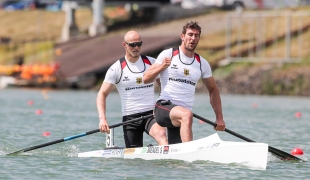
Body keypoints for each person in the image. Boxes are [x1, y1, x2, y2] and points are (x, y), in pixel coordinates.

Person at [143, 21, 226, 144]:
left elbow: (213, 90)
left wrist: (219, 118)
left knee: (176, 156)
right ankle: (189, 154)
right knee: (187, 115)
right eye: (190, 34)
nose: (193, 38)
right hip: (163, 107)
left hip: (181, 116)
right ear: (182, 36)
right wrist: (161, 67)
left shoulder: (202, 63)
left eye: (196, 36)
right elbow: (146, 78)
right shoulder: (168, 54)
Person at [97, 30, 168, 148]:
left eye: (139, 44)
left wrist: (160, 106)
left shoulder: (151, 63)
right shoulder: (116, 68)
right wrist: (102, 119)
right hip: (130, 118)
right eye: (132, 45)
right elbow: (102, 94)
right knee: (133, 158)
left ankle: (165, 155)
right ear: (124, 45)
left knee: (162, 134)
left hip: (150, 115)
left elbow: (165, 86)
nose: (136, 47)